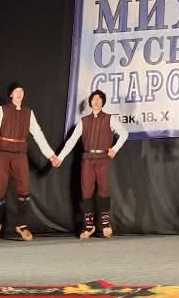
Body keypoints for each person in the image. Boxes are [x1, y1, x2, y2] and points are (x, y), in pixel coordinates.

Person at [0, 83, 59, 243]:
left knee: (24, 190)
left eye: (21, 91)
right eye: (16, 91)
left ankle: (21, 225)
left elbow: (38, 134)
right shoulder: (2, 110)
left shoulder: (28, 113)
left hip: (20, 155)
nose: (19, 93)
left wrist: (50, 155)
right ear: (10, 94)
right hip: (1, 153)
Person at [54, 89, 128, 239]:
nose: (96, 101)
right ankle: (89, 226)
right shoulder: (84, 121)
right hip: (87, 159)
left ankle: (105, 224)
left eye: (99, 99)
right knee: (86, 192)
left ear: (103, 102)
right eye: (94, 99)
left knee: (103, 190)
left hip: (103, 158)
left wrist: (114, 149)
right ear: (90, 102)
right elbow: (72, 141)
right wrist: (60, 157)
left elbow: (124, 134)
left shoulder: (109, 119)